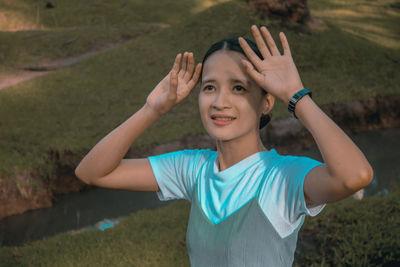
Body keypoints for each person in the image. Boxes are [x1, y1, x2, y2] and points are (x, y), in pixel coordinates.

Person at [75, 25, 373, 266]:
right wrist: (151, 109)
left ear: (266, 102)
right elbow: (93, 172)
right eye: (209, 88)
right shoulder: (192, 169)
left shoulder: (282, 178)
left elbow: (354, 176)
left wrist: (296, 95)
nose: (219, 102)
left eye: (238, 88)